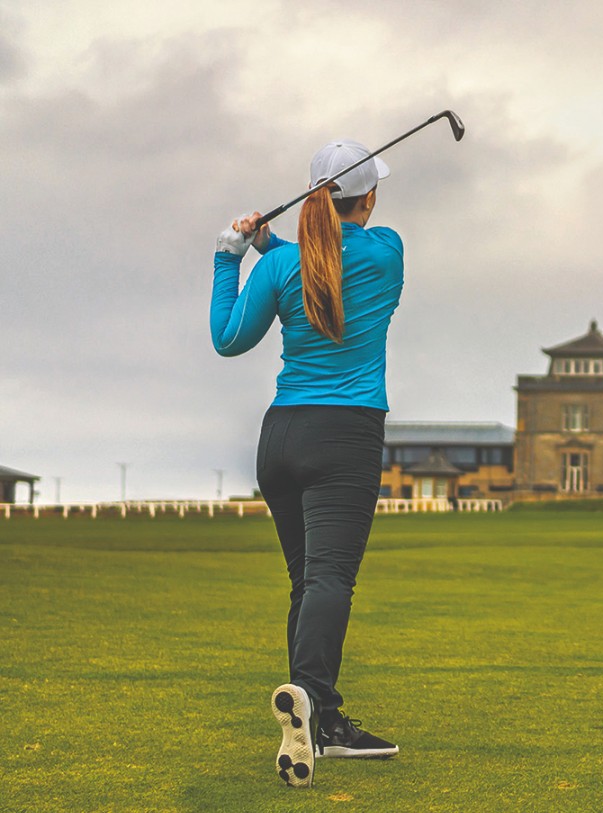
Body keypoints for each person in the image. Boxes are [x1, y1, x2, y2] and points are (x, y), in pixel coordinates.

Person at [212, 139, 404, 788]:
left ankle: (319, 718)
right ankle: (312, 702)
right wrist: (275, 250)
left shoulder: (281, 267)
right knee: (331, 581)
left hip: (280, 437)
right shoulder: (387, 252)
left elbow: (228, 338)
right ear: (368, 197)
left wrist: (231, 256)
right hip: (343, 435)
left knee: (306, 582)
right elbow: (329, 261)